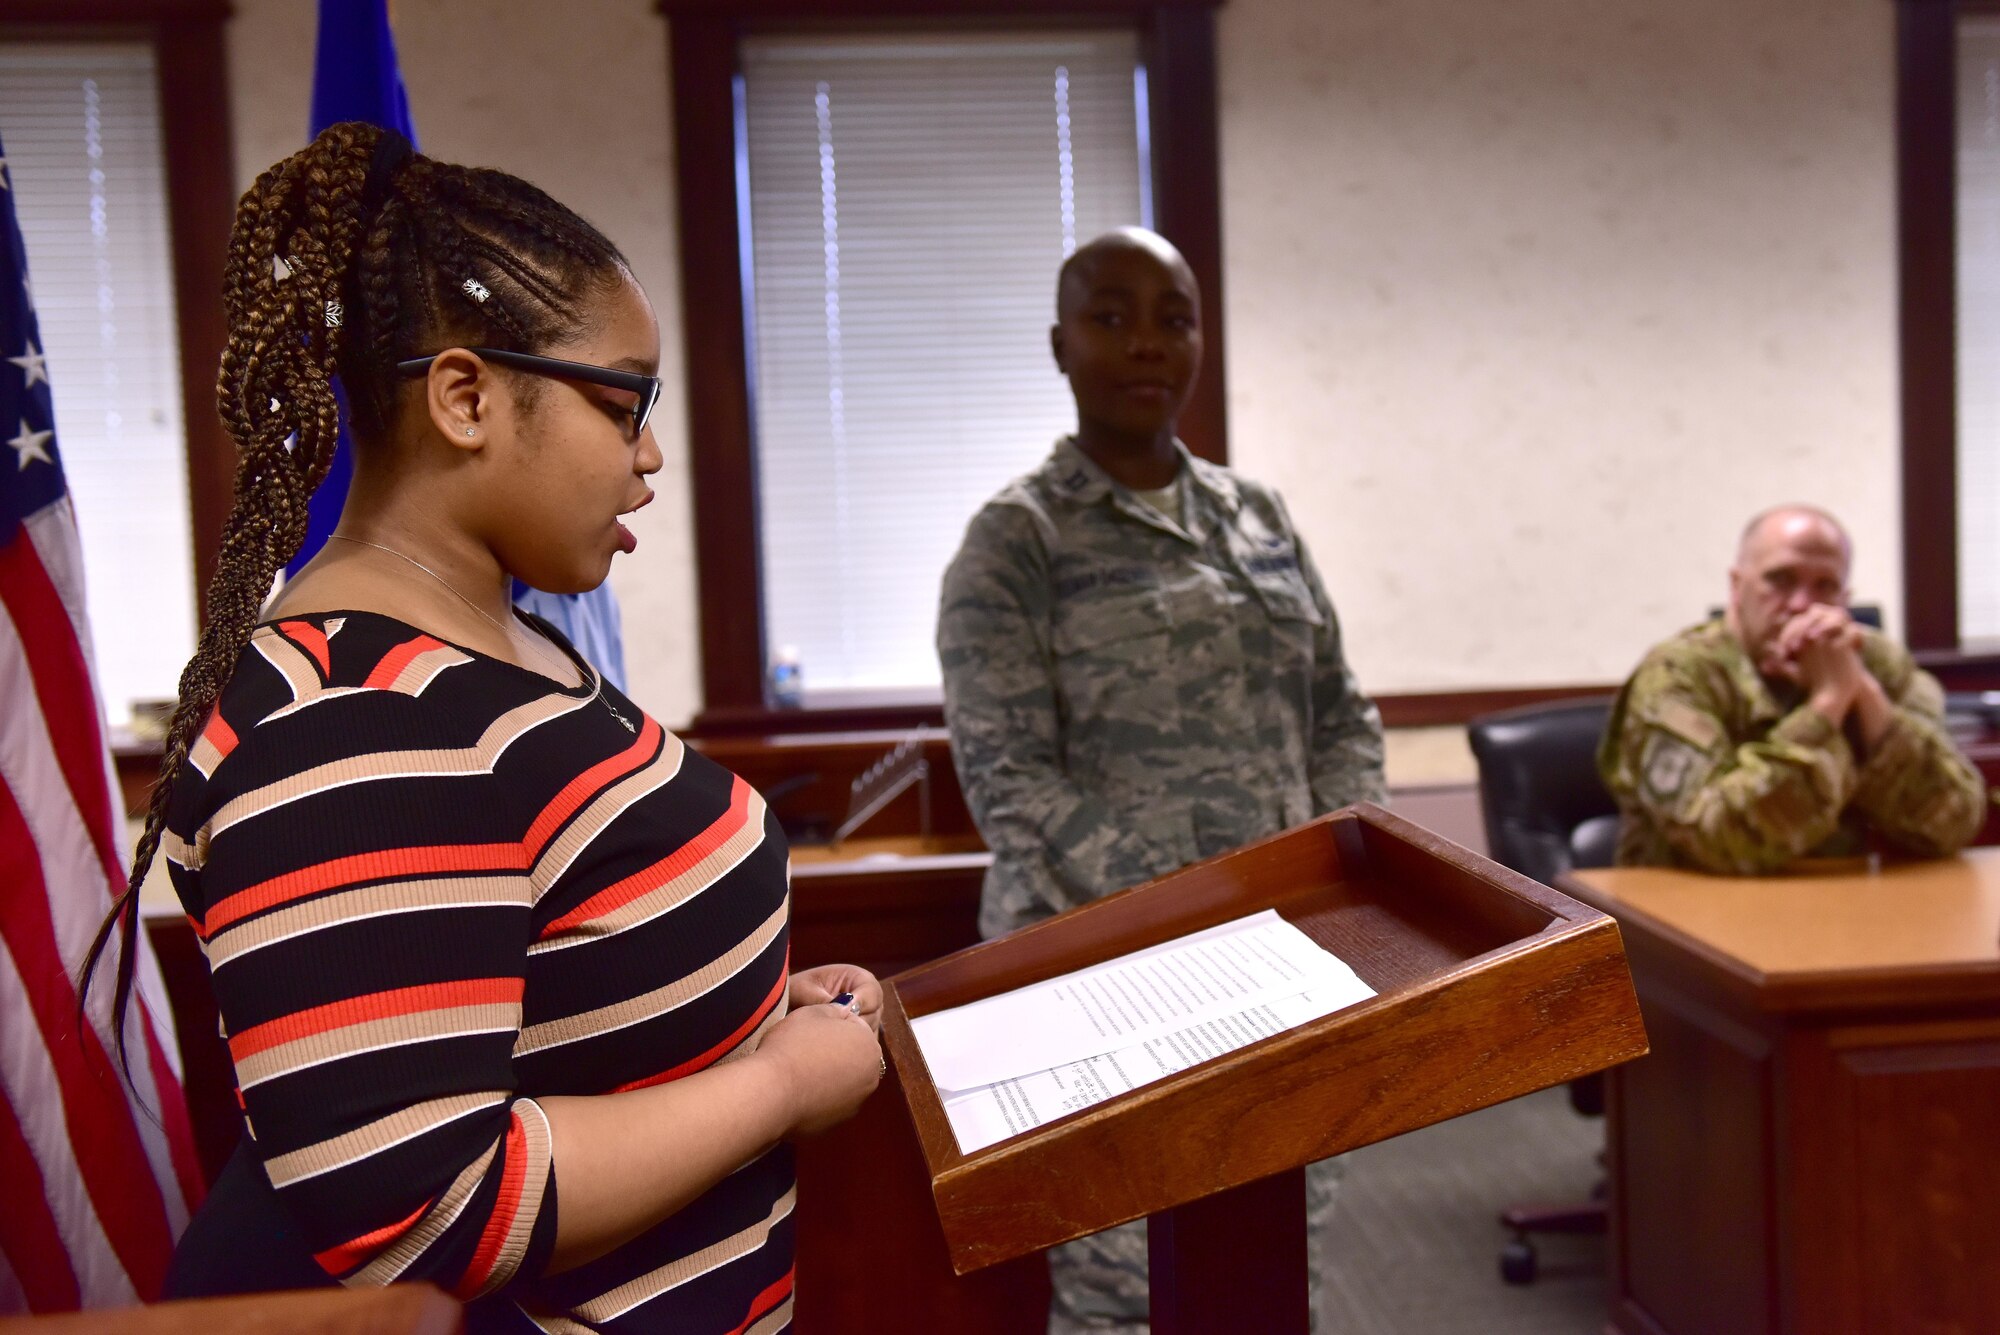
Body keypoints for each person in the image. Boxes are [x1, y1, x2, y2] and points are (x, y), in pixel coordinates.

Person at [81, 123, 883, 1334]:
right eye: (623, 404)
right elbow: (426, 1215)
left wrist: (738, 1007)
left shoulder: (506, 639)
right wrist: (777, 1086)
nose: (650, 454)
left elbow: (558, 971)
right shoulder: (353, 724)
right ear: (464, 397)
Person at [936, 227, 1385, 1334]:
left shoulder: (1258, 517)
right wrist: (1204, 915)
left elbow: (1339, 714)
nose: (1146, 343)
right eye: (1111, 315)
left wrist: (1332, 872)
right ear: (1059, 344)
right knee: (1123, 1287)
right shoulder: (1013, 543)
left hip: (1282, 968)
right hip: (1102, 988)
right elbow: (1013, 787)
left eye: (1172, 317)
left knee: (1273, 1265)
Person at [1599, 504, 1987, 873]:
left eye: (1825, 586)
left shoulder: (1878, 663)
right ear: (1737, 587)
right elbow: (1721, 839)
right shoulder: (1678, 673)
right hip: (1687, 917)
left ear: (1845, 600)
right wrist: (1829, 703)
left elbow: (1954, 822)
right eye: (1780, 579)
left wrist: (1862, 691)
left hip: (1841, 911)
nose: (1802, 604)